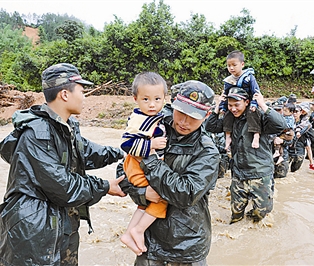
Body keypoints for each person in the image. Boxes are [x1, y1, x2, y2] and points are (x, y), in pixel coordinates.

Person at [0, 63, 126, 265]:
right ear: (64, 94)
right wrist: (105, 186)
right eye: (81, 91)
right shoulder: (37, 133)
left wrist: (124, 153)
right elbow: (63, 187)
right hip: (34, 231)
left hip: (60, 225)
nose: (85, 97)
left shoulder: (64, 127)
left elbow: (87, 152)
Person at [118, 80, 220, 265]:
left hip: (186, 245)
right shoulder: (156, 127)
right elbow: (124, 170)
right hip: (149, 242)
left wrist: (149, 159)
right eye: (180, 112)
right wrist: (142, 193)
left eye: (193, 116)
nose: (183, 121)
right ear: (173, 104)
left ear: (207, 115)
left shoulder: (207, 152)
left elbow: (185, 194)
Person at [206, 88, 287, 224]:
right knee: (236, 216)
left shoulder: (259, 117)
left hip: (260, 173)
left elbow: (281, 125)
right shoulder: (230, 120)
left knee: (262, 211)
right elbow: (210, 126)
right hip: (239, 174)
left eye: (237, 105)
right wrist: (217, 107)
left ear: (247, 102)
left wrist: (262, 105)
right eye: (230, 105)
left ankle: (252, 226)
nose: (233, 109)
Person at [119, 72, 168, 256]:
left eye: (157, 99)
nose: (152, 104)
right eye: (146, 99)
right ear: (135, 99)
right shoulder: (139, 120)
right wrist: (151, 145)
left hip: (138, 165)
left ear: (164, 97)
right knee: (161, 199)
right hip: (136, 166)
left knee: (144, 204)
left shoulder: (154, 115)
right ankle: (138, 230)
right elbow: (126, 144)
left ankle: (129, 233)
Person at [219, 50, 262, 150]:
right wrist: (223, 107)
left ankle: (256, 135)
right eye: (229, 66)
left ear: (242, 64)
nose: (231, 68)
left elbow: (256, 91)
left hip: (249, 102)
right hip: (234, 102)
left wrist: (254, 104)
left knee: (253, 113)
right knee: (228, 115)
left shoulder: (249, 77)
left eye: (234, 65)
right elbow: (225, 95)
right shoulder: (228, 80)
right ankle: (228, 137)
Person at [298, 102, 314, 170]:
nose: (303, 111)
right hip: (301, 132)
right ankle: (311, 163)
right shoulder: (297, 113)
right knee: (308, 147)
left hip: (305, 133)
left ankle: (311, 163)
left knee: (308, 147)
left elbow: (305, 124)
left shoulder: (307, 116)